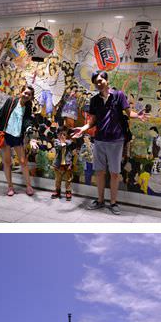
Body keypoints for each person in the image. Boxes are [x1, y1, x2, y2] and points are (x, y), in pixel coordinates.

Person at [72, 71, 147, 215]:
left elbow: (128, 113)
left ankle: (113, 203)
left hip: (116, 141)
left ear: (106, 80)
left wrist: (138, 115)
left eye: (100, 80)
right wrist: (83, 128)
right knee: (99, 172)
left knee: (114, 173)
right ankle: (100, 200)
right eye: (95, 82)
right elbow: (92, 121)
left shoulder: (118, 95)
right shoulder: (94, 100)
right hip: (100, 140)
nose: (98, 84)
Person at [0, 84, 37, 197]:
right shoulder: (11, 101)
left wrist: (31, 138)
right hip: (5, 136)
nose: (26, 95)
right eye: (25, 93)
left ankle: (29, 186)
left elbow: (27, 122)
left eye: (29, 94)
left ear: (31, 97)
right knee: (7, 162)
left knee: (23, 162)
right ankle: (10, 187)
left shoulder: (28, 107)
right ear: (21, 92)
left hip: (17, 137)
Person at [51, 126, 76, 201]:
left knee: (68, 180)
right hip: (58, 164)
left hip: (67, 164)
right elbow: (58, 146)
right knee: (58, 179)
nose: (62, 136)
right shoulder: (56, 141)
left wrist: (65, 142)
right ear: (57, 135)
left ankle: (68, 191)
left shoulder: (69, 142)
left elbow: (70, 144)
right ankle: (57, 191)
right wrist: (62, 143)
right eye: (60, 134)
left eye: (64, 134)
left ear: (67, 135)